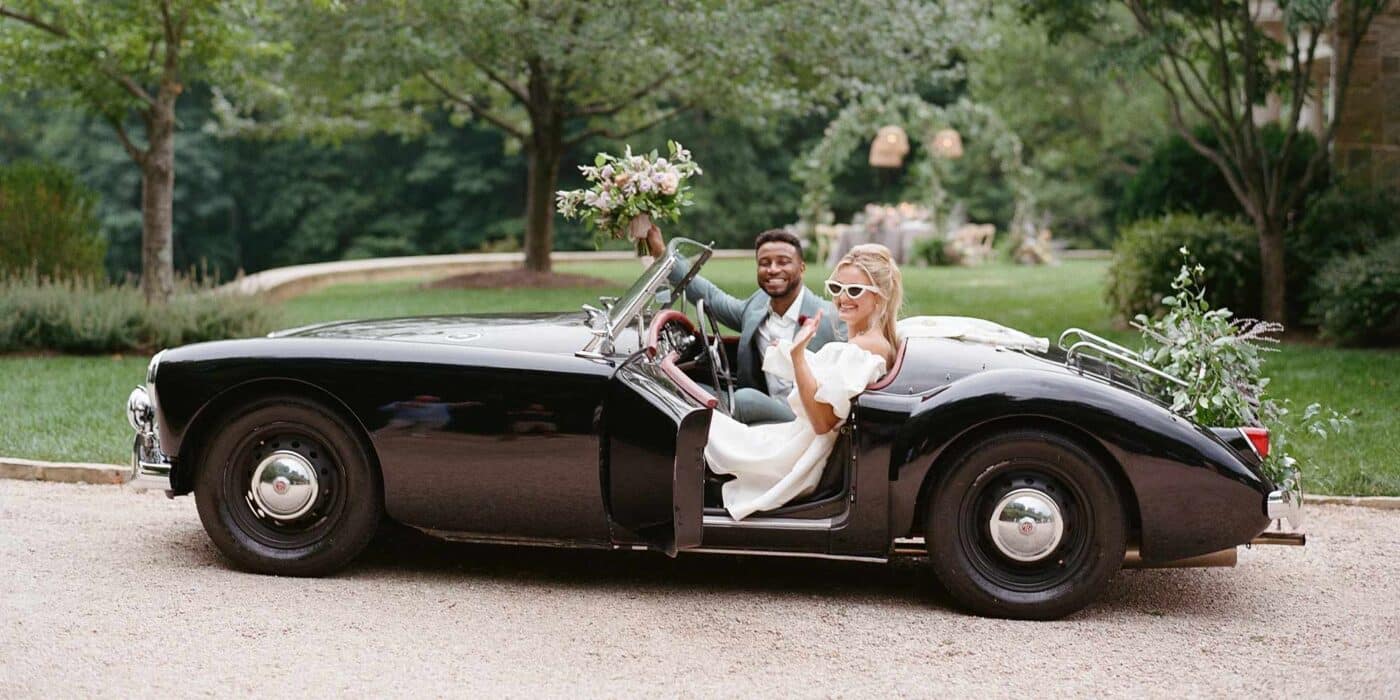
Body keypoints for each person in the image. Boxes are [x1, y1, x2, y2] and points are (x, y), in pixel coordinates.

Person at [704, 244, 902, 520]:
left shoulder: (863, 348)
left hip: (802, 454)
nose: (843, 298)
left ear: (879, 297)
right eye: (836, 288)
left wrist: (797, 356)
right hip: (801, 441)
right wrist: (791, 352)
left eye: (855, 290)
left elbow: (823, 422)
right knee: (712, 427)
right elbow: (829, 384)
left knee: (700, 423)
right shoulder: (868, 342)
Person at [645, 225, 843, 424]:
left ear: (802, 267)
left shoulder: (830, 317)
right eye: (765, 263)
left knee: (743, 399)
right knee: (680, 390)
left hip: (811, 419)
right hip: (769, 409)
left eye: (783, 262)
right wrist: (662, 254)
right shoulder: (756, 307)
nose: (773, 269)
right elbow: (712, 298)